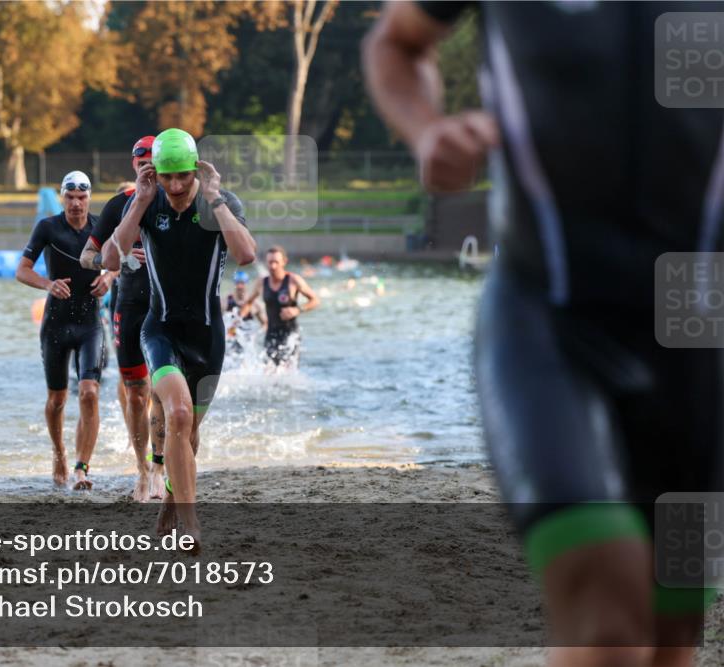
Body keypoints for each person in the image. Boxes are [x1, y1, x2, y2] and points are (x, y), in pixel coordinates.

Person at [364, 2, 722, 666]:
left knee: (673, 633)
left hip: (699, 354)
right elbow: (398, 42)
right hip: (549, 324)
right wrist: (426, 131)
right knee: (610, 623)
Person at [102, 128, 256, 546]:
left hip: (208, 337)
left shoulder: (218, 203)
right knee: (178, 415)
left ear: (194, 171)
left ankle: (172, 497)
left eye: (182, 177)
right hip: (160, 328)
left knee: (188, 434)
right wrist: (140, 204)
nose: (174, 186)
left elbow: (246, 255)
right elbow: (109, 257)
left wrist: (216, 198)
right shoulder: (147, 204)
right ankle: (191, 527)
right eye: (166, 177)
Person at [79, 137, 166, 502]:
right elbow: (86, 257)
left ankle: (160, 466)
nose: (147, 167)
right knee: (135, 396)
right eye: (141, 160)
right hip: (128, 306)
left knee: (166, 390)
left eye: (153, 161)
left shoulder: (178, 202)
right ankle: (142, 470)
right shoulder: (119, 205)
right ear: (133, 165)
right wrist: (117, 259)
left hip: (167, 308)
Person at [17, 170, 115, 490]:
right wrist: (48, 284)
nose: (76, 203)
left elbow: (117, 257)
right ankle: (58, 452)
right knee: (57, 399)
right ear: (63, 197)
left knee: (89, 392)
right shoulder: (48, 228)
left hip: (89, 322)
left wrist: (109, 278)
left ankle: (82, 468)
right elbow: (22, 270)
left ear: (89, 198)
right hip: (56, 323)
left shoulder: (102, 226)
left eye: (82, 197)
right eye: (70, 197)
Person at [241, 246, 319, 369]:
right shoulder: (262, 282)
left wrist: (297, 310)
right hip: (271, 333)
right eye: (270, 262)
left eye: (276, 262)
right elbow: (248, 302)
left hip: (291, 335)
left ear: (284, 262)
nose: (272, 266)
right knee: (270, 372)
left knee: (288, 372)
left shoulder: (293, 280)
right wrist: (239, 320)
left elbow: (315, 300)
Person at [221, 270, 266, 355]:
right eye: (237, 283)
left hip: (247, 341)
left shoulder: (255, 304)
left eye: (242, 283)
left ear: (246, 284)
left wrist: (257, 335)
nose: (240, 286)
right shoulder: (225, 301)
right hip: (230, 341)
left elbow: (265, 324)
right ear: (234, 284)